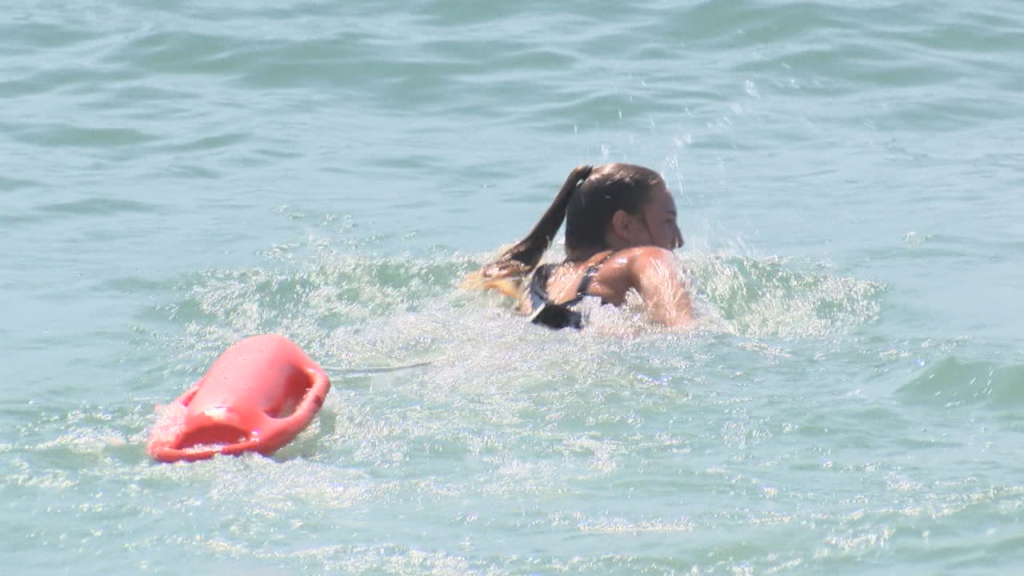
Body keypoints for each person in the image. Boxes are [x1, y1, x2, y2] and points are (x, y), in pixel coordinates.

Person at [464, 163, 694, 329]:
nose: (678, 240)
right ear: (624, 224)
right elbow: (682, 331)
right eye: (667, 221)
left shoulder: (540, 278)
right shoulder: (647, 257)